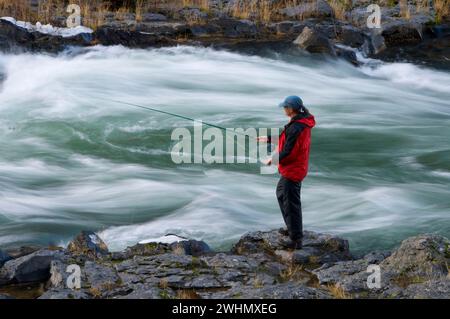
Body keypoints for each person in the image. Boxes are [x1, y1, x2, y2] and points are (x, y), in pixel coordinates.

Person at [259, 96, 316, 249]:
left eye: (285, 107)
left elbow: (289, 151)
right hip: (297, 168)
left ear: (291, 109)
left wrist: (273, 160)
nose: (283, 109)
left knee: (291, 203)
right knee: (281, 194)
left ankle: (296, 240)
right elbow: (288, 139)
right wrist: (269, 139)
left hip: (294, 169)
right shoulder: (300, 123)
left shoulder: (296, 127)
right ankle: (292, 229)